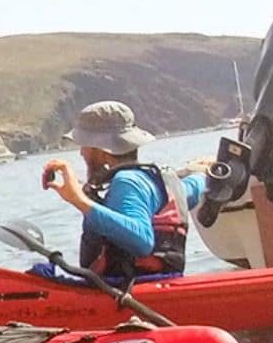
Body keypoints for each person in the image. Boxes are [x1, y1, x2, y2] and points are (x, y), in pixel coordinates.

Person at [41, 101, 201, 281]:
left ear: (101, 151)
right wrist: (204, 172)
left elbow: (142, 241)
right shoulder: (160, 181)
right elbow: (194, 187)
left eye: (84, 145)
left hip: (128, 291)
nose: (81, 153)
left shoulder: (125, 182)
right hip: (162, 282)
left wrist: (79, 200)